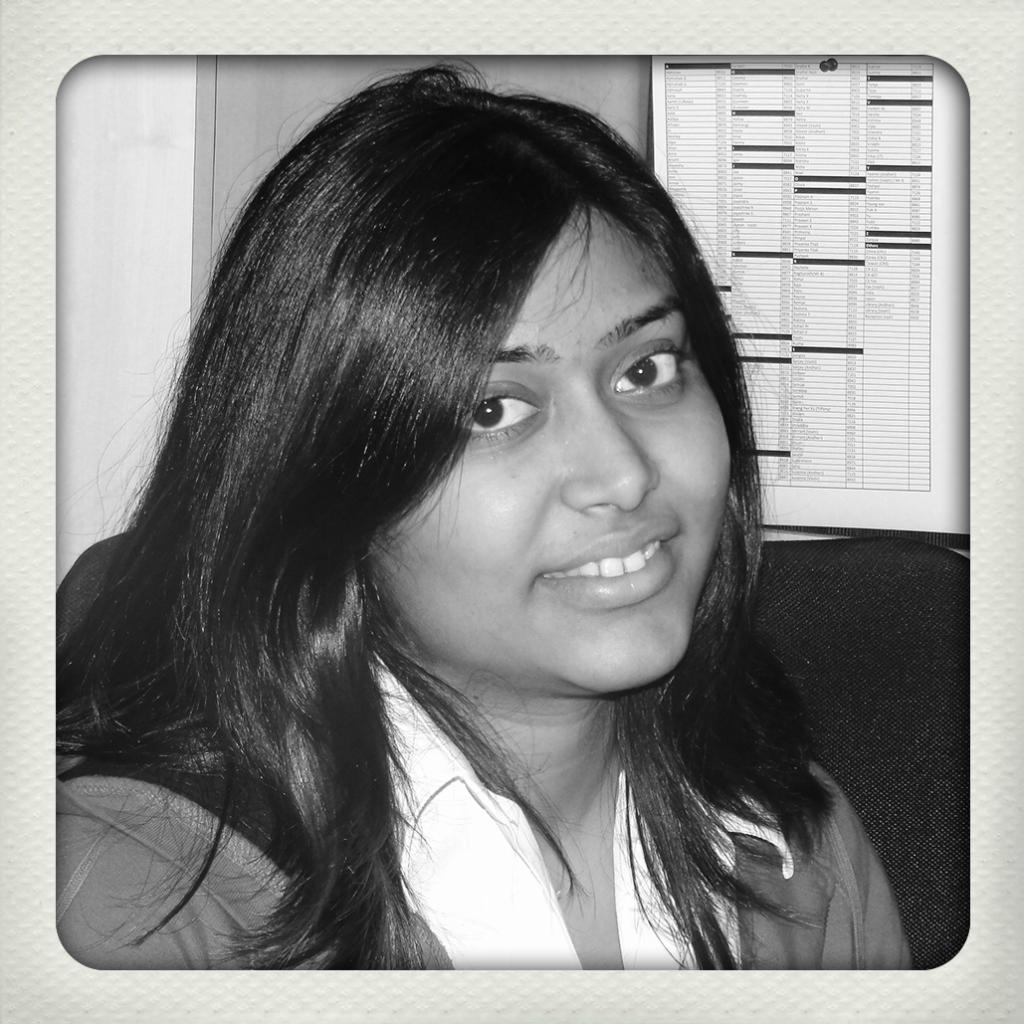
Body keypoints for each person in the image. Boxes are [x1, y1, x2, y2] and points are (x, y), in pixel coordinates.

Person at [56, 64, 912, 970]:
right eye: (494, 409)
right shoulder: (132, 908)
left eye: (646, 370)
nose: (624, 474)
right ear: (322, 484)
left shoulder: (801, 855)